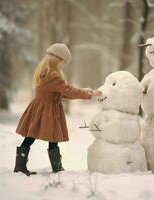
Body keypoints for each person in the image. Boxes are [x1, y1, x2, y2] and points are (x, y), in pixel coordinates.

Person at [14, 43, 101, 176]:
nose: (63, 65)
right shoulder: (52, 76)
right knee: (41, 137)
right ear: (57, 59)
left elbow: (63, 93)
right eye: (63, 62)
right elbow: (69, 91)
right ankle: (53, 167)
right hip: (47, 110)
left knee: (36, 137)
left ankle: (49, 166)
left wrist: (85, 92)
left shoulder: (46, 72)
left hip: (42, 108)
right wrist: (89, 94)